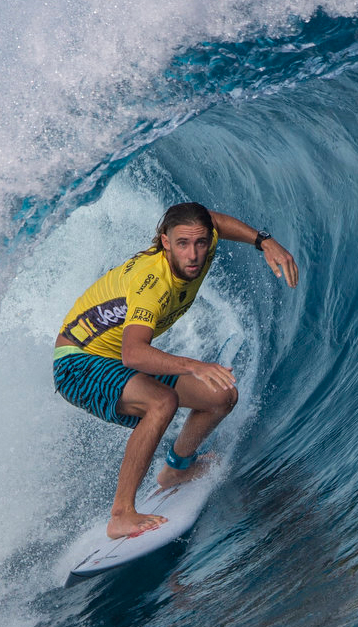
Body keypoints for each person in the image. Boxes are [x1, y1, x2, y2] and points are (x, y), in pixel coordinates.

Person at [53, 201, 300, 538]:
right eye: (183, 244)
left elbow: (215, 222)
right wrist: (193, 366)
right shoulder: (153, 283)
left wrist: (264, 241)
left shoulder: (202, 240)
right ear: (166, 242)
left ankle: (176, 470)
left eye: (200, 242)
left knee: (221, 396)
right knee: (161, 401)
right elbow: (132, 353)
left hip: (109, 357)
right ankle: (121, 514)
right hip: (77, 362)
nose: (194, 254)